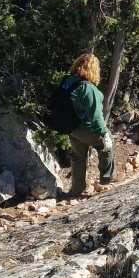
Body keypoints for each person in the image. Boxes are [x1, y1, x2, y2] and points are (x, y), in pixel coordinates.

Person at [60, 53, 115, 197]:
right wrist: (104, 134)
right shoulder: (89, 89)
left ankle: (76, 190)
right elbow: (96, 116)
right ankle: (106, 182)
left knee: (78, 157)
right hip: (84, 127)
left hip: (71, 128)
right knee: (106, 147)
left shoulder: (68, 82)